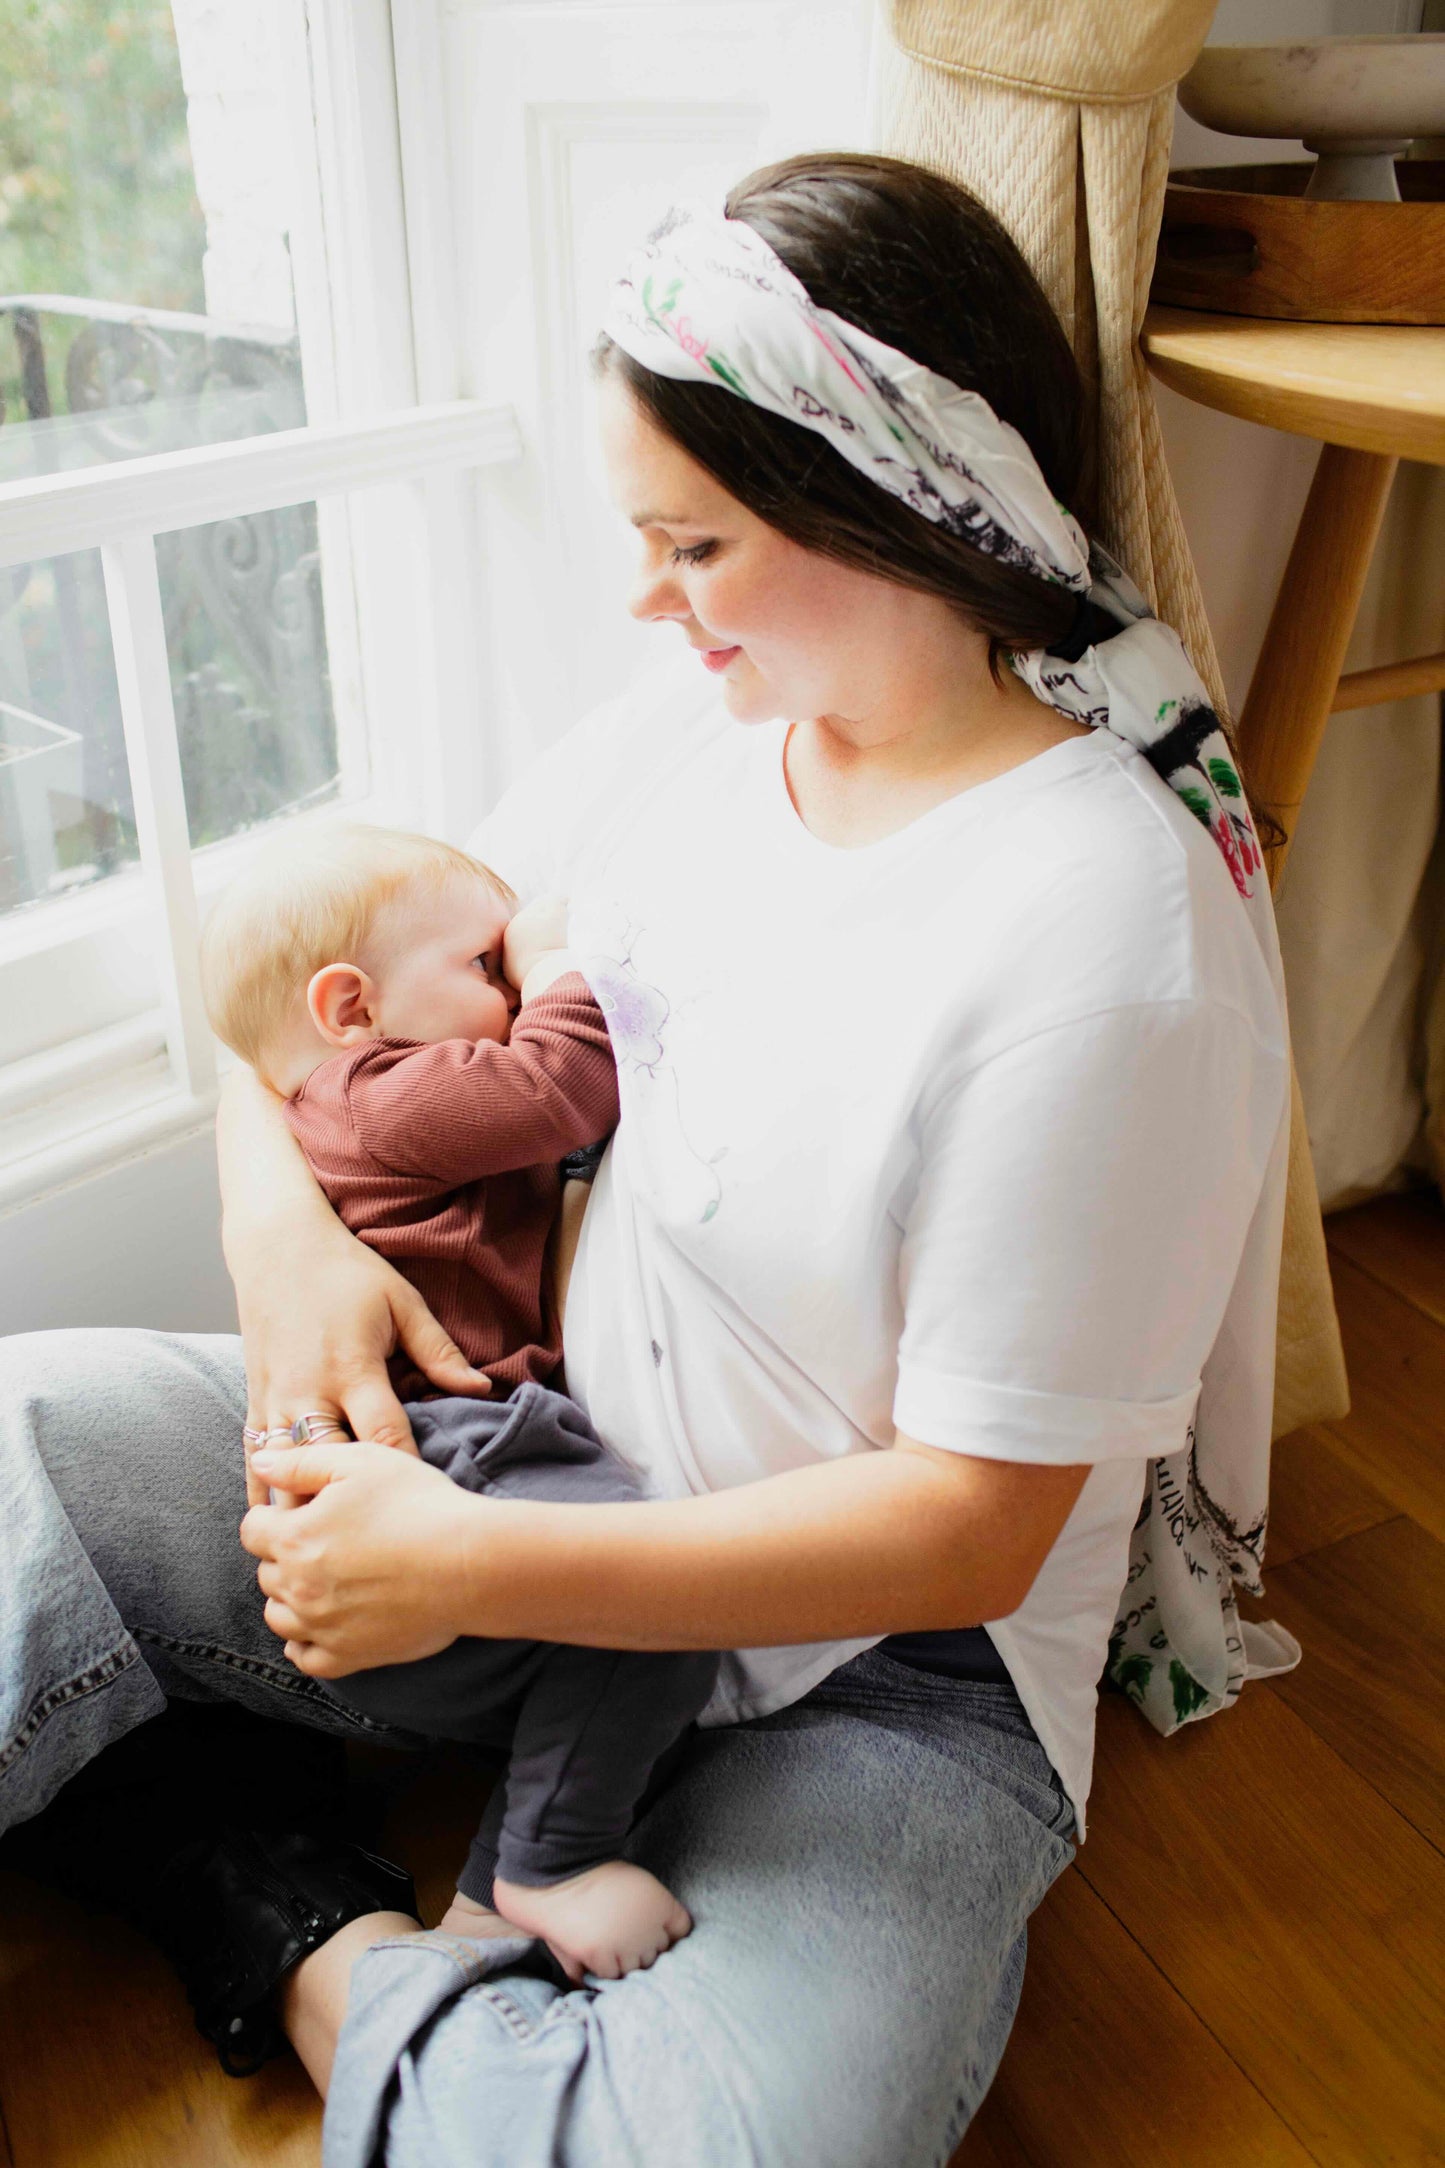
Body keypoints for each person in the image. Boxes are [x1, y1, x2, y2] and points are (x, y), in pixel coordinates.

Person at [0, 151, 1288, 2166]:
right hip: (523, 1454)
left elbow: (967, 1528)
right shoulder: (693, 735)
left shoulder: (1099, 950)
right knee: (17, 1431)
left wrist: (464, 1565)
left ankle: (276, 1909)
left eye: (688, 543)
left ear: (879, 506)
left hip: (874, 1677)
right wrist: (286, 1241)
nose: (644, 598)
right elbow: (312, 1001)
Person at [197, 823, 715, 1983]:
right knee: (649, 1596)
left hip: (454, 1445)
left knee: (622, 1647)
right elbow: (563, 1083)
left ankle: (496, 1899)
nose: (508, 983)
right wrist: (555, 952)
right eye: (481, 967)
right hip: (451, 1438)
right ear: (350, 1008)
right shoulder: (379, 1095)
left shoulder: (342, 1095)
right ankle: (549, 1861)